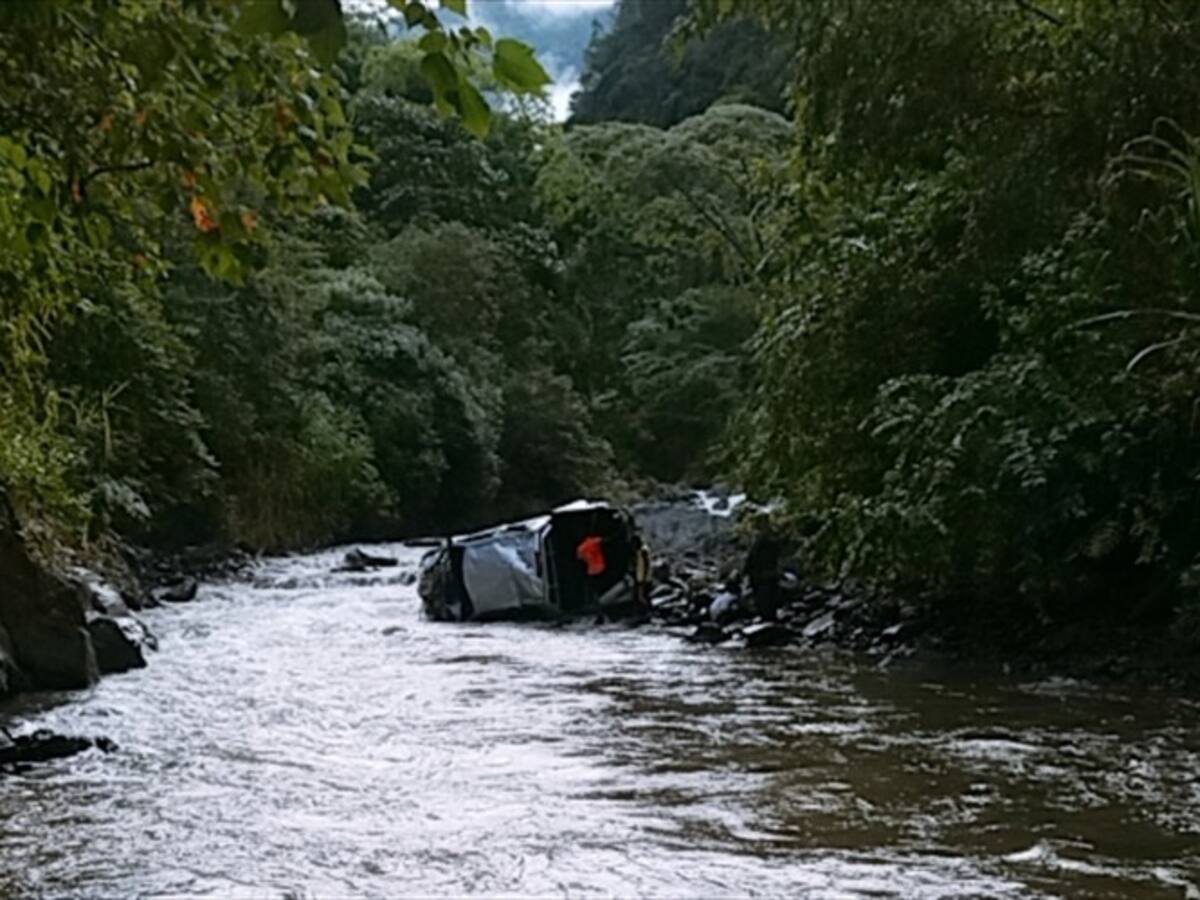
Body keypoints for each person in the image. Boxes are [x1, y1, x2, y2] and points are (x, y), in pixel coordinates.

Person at [743, 515, 782, 621]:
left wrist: (746, 571)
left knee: (763, 597)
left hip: (760, 574)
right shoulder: (774, 537)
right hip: (770, 572)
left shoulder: (759, 540)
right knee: (771, 595)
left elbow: (752, 557)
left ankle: (766, 617)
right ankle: (771, 617)